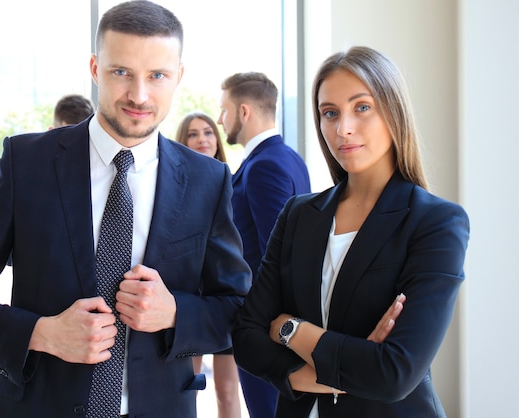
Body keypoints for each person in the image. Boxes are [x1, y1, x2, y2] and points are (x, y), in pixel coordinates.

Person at [0, 2, 251, 418]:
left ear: (178, 78)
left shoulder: (209, 180)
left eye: (157, 76)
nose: (139, 94)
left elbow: (238, 311)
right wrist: (40, 334)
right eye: (121, 72)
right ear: (95, 69)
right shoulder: (25, 164)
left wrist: (176, 314)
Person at [232, 46, 470, 418]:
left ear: (393, 111)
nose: (342, 128)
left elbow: (393, 373)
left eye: (362, 107)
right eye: (330, 113)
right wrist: (329, 376)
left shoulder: (436, 222)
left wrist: (290, 329)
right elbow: (246, 337)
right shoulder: (298, 214)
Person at [218, 72, 311, 418]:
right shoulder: (289, 157)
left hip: (265, 326)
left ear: (244, 111)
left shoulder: (263, 167)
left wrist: (258, 326)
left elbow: (278, 254)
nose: (220, 119)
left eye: (224, 109)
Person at [176, 111, 242, 418]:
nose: (202, 139)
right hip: (189, 298)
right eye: (192, 134)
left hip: (224, 297)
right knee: (186, 385)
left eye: (207, 132)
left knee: (228, 389)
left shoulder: (231, 179)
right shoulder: (174, 185)